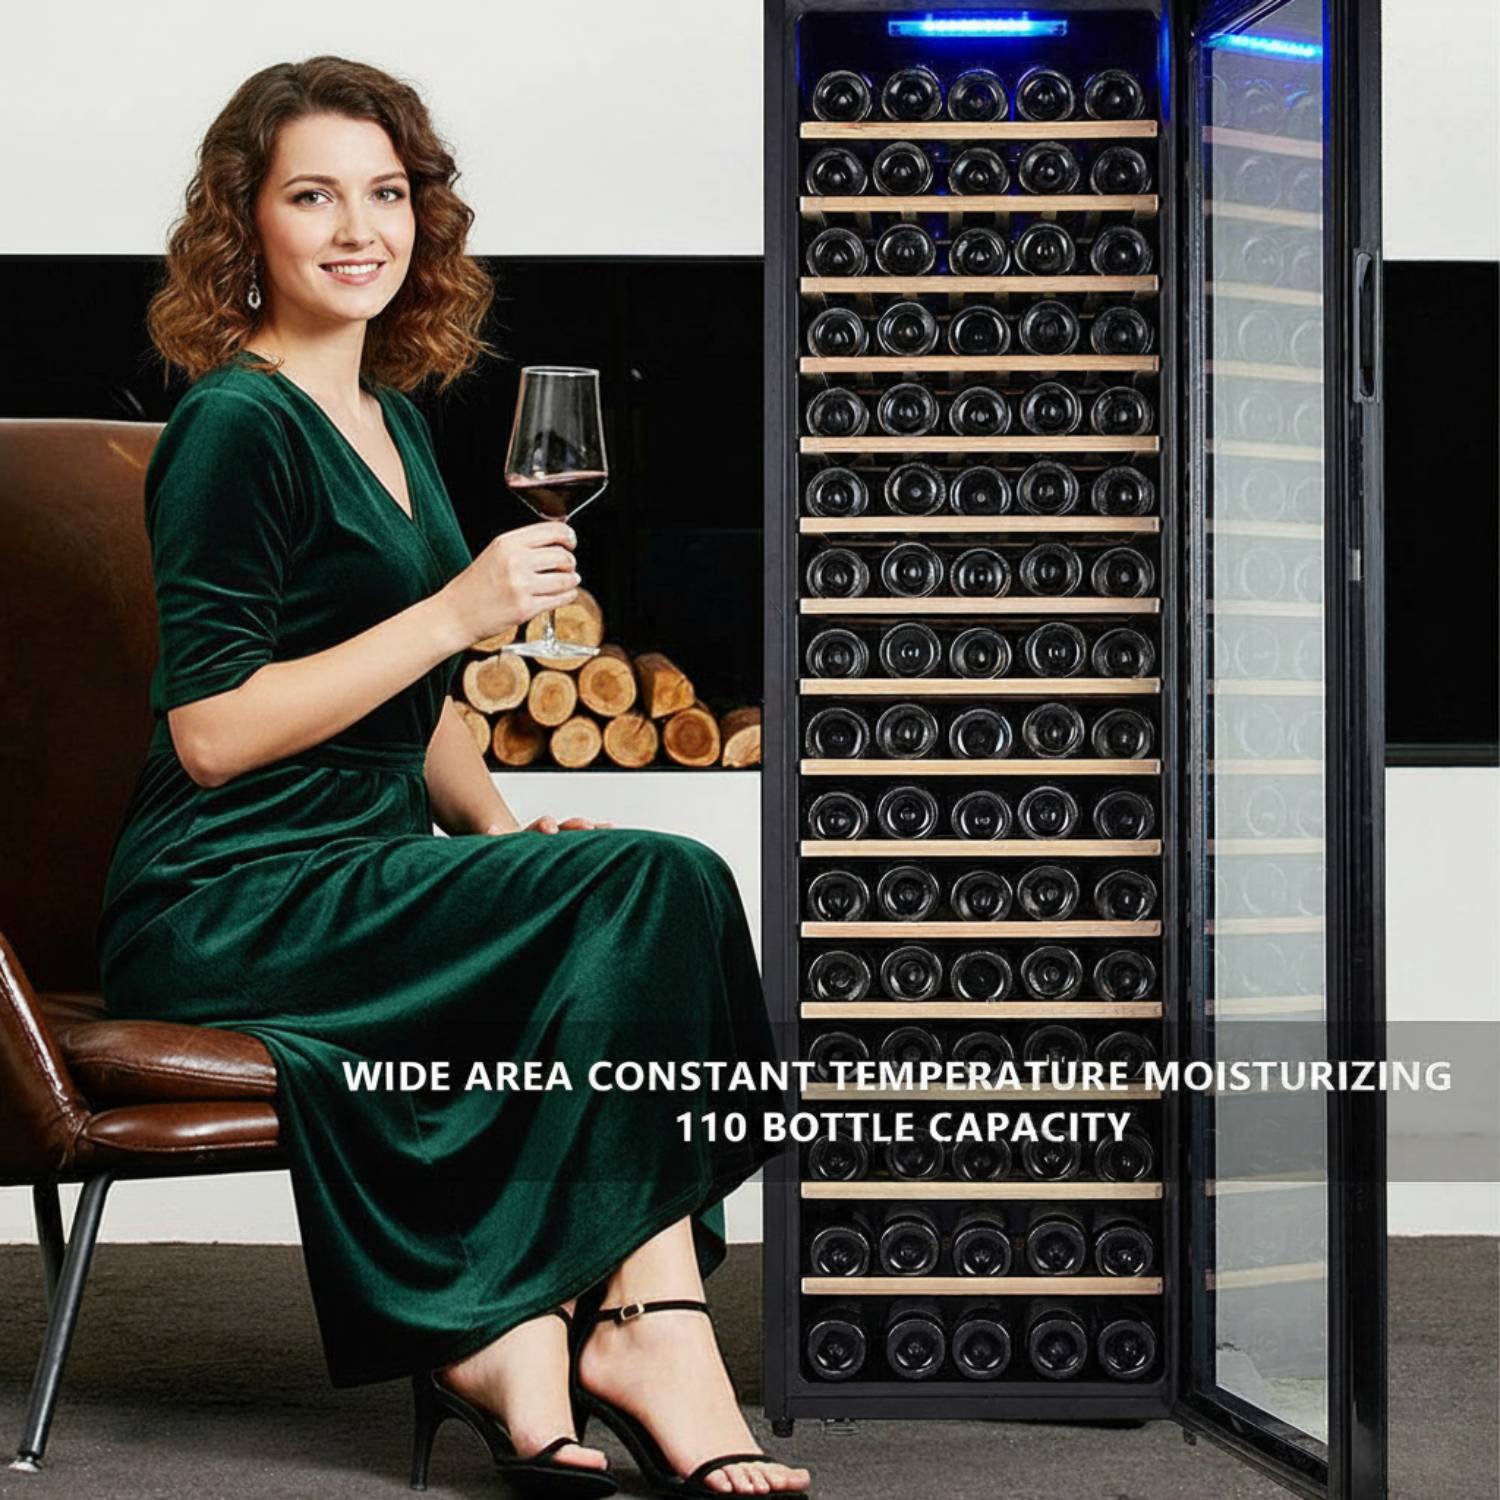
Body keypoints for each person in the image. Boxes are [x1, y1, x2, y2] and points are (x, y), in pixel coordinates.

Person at [96, 54, 811, 1500]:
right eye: (314, 195)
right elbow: (212, 733)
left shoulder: (397, 419)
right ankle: (644, 1327)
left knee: (627, 886)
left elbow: (408, 697)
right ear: (246, 225)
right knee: (661, 877)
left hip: (358, 869)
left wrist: (495, 833)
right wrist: (456, 614)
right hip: (230, 894)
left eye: (388, 192)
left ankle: (523, 1338)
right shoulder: (234, 427)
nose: (360, 227)